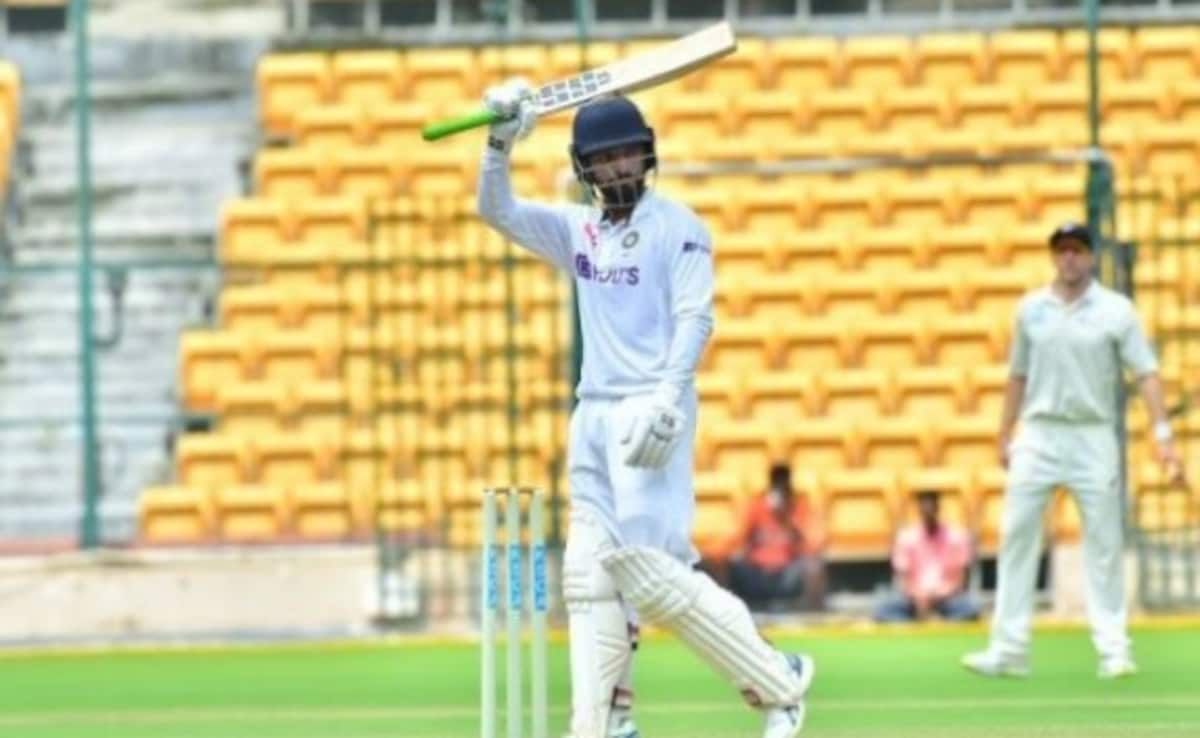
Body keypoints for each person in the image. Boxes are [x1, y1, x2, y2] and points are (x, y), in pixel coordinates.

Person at [477, 80, 815, 738]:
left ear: (646, 153)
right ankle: (605, 721)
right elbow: (498, 211)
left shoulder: (678, 228)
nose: (617, 166)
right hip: (592, 415)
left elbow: (695, 318)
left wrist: (667, 395)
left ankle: (779, 679)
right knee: (587, 576)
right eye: (603, 159)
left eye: (626, 153)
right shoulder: (578, 230)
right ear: (586, 168)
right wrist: (498, 143)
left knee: (651, 574)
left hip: (650, 408)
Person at [962, 221, 1186, 679]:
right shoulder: (1031, 309)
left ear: (1091, 256)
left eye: (1077, 250)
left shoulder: (1116, 311)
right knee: (1016, 535)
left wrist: (1162, 436)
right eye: (1062, 250)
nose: (1069, 258)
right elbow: (1017, 375)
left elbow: (1146, 373)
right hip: (1039, 432)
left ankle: (1114, 649)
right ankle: (1009, 648)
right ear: (1053, 256)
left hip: (1092, 433)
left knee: (1103, 542)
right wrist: (1005, 431)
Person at [727, 464, 826, 612]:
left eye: (783, 483)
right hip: (757, 571)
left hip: (789, 572)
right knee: (728, 559)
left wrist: (786, 519)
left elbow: (813, 543)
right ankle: (732, 611)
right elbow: (738, 537)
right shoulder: (756, 506)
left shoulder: (800, 508)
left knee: (813, 565)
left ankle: (813, 613)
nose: (780, 487)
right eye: (777, 483)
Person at [874, 490, 979, 622]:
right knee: (882, 609)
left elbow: (961, 578)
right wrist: (918, 596)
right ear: (919, 510)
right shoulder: (906, 537)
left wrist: (940, 594)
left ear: (938, 508)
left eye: (931, 507)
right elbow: (903, 577)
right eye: (924, 508)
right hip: (914, 598)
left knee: (970, 608)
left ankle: (936, 621)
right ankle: (921, 621)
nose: (928, 512)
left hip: (947, 598)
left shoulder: (957, 536)